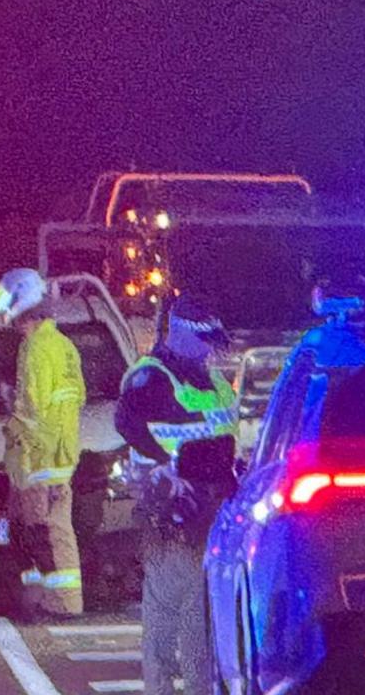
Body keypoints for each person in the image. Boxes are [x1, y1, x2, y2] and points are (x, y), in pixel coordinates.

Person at [114, 295, 238, 695]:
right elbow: (128, 424)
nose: (210, 350)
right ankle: (161, 689)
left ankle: (201, 688)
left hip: (213, 505)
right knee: (167, 612)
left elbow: (224, 437)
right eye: (204, 341)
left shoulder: (213, 379)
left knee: (199, 612)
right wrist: (165, 470)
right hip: (170, 507)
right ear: (181, 332)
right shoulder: (152, 376)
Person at [0, 268, 86, 620]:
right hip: (61, 454)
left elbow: (31, 407)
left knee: (41, 533)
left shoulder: (34, 348)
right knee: (56, 531)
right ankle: (57, 599)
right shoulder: (63, 345)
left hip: (37, 458)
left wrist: (12, 431)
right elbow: (76, 397)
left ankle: (57, 603)